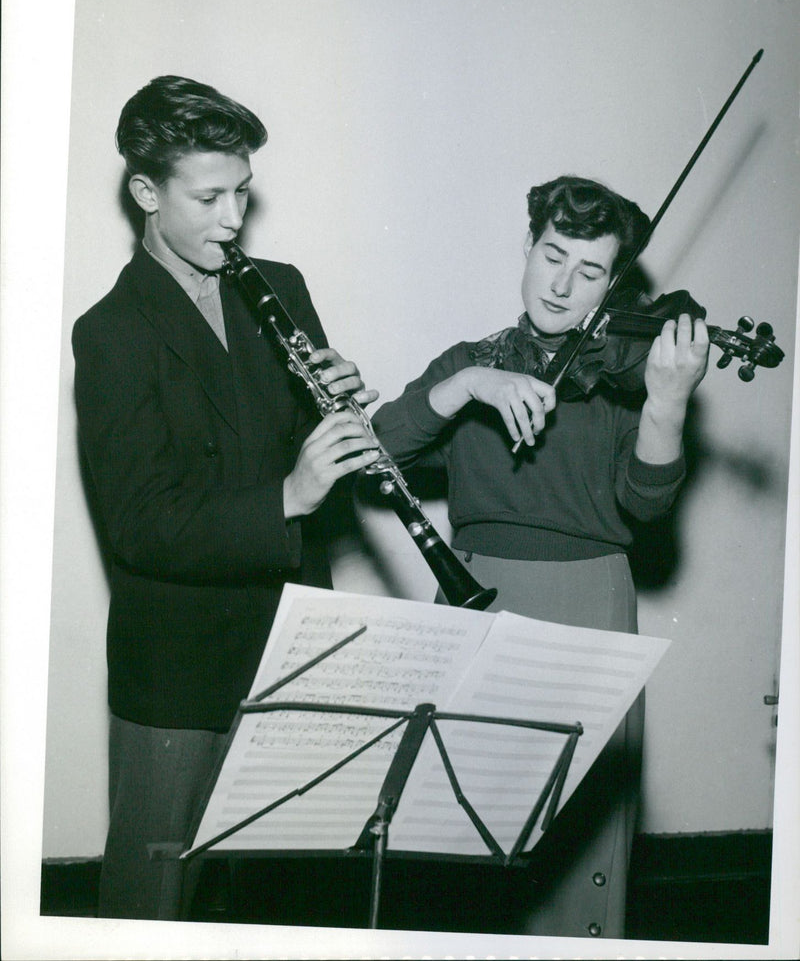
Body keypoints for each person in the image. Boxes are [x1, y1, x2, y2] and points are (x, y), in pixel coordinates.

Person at [72, 75, 380, 921]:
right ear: (146, 192)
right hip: (179, 667)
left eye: (242, 192)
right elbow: (142, 525)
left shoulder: (278, 285)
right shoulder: (111, 332)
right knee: (154, 900)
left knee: (281, 900)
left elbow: (302, 460)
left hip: (290, 645)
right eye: (209, 196)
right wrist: (289, 491)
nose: (234, 218)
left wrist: (337, 412)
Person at [370, 175, 710, 940]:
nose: (561, 284)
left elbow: (648, 506)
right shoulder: (471, 359)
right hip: (473, 600)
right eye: (552, 255)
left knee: (574, 844)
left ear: (614, 282)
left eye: (590, 271)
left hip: (588, 602)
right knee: (457, 835)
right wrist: (464, 385)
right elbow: (379, 450)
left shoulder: (625, 374)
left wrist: (666, 403)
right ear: (528, 246)